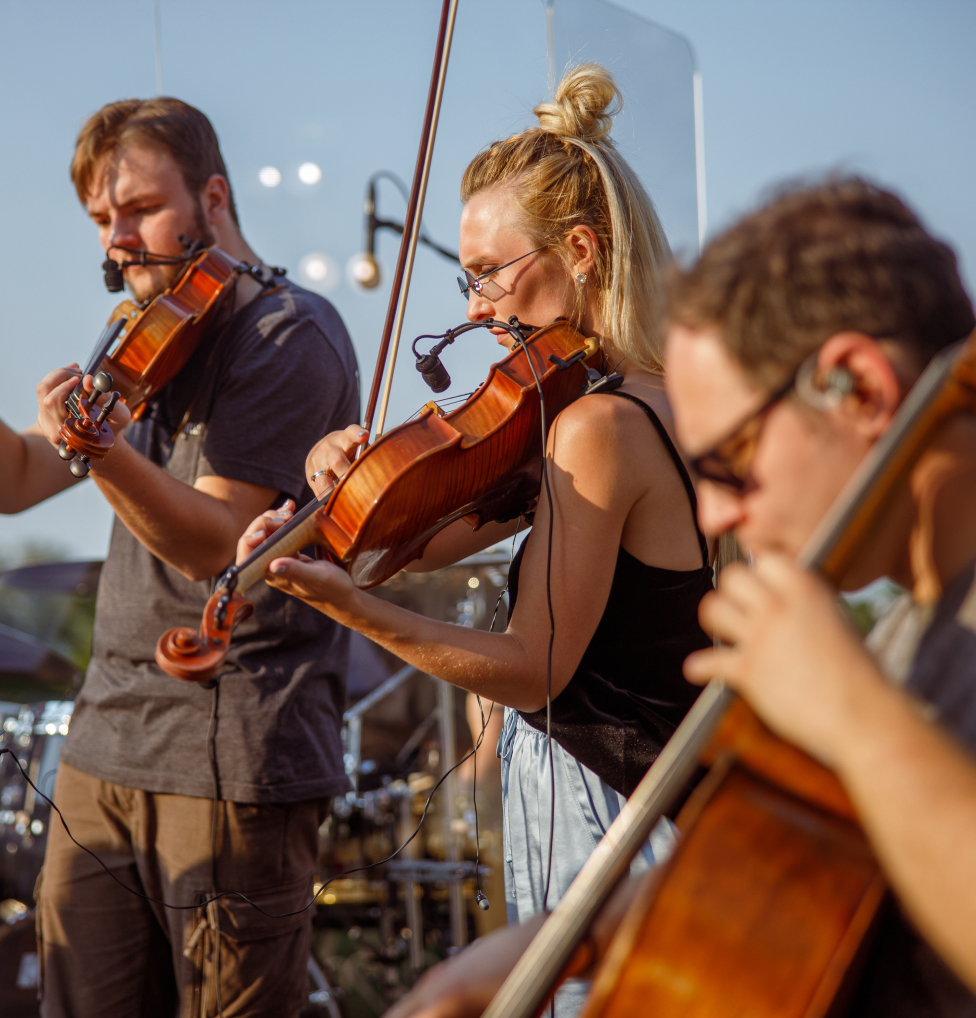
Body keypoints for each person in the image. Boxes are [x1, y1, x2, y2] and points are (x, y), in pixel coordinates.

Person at [381, 176, 976, 1018]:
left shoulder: (886, 671)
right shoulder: (919, 632)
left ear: (861, 388)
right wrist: (575, 936)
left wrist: (849, 712)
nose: (717, 511)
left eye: (728, 459)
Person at [240, 65, 712, 1017]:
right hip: (663, 808)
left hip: (616, 820)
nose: (474, 308)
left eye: (491, 273)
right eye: (467, 279)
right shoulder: (635, 405)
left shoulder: (598, 430)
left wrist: (349, 607)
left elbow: (533, 667)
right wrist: (337, 498)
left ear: (580, 250)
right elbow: (417, 538)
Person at [30, 98, 359, 1018]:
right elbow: (22, 473)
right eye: (102, 220)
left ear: (212, 197)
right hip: (104, 751)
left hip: (230, 754)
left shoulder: (288, 335)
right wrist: (70, 436)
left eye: (137, 209)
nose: (119, 239)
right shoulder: (146, 331)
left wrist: (98, 450)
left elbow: (213, 544)